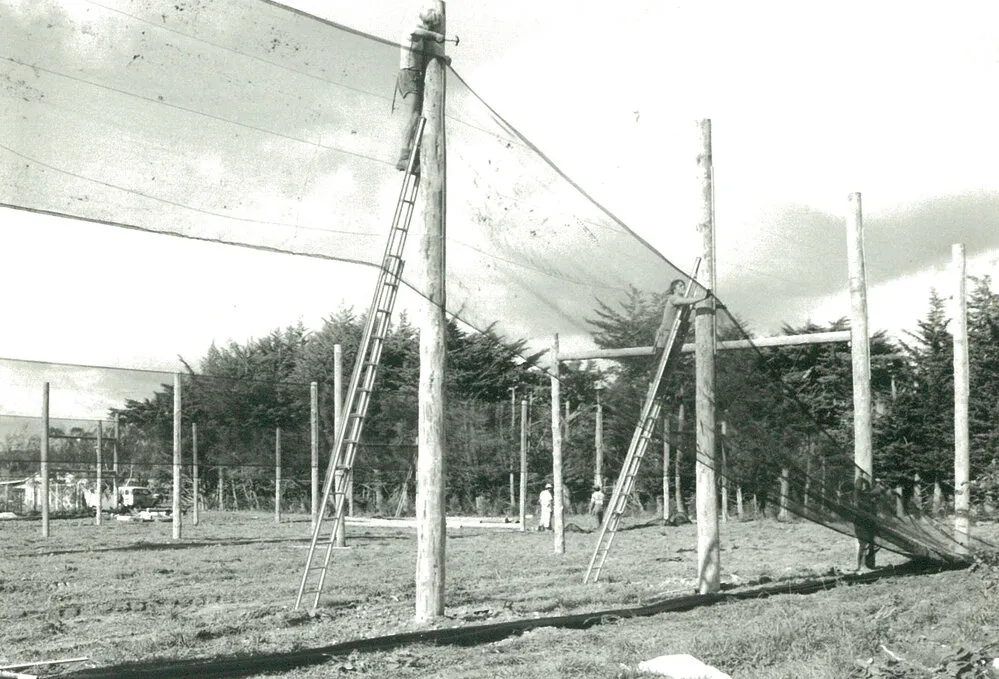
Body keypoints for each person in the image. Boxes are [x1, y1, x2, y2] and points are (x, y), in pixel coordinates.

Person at [394, 4, 444, 172]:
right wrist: (435, 35)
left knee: (418, 115)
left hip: (415, 75)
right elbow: (417, 32)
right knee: (413, 116)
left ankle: (412, 155)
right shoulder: (414, 29)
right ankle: (404, 156)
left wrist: (443, 56)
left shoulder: (423, 37)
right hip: (409, 74)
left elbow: (429, 46)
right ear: (430, 23)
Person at [654, 279, 710, 352]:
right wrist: (704, 297)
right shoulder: (673, 298)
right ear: (674, 289)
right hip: (666, 334)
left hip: (674, 333)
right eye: (680, 286)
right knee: (660, 359)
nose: (683, 287)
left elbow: (689, 303)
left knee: (672, 360)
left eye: (684, 285)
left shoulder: (682, 301)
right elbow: (687, 301)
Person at [853, 476, 878, 571]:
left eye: (865, 486)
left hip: (870, 524)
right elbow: (857, 490)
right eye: (862, 486)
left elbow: (878, 492)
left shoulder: (868, 496)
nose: (864, 488)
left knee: (871, 544)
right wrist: (860, 479)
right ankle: (862, 565)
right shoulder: (857, 496)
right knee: (864, 544)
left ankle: (869, 565)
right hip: (861, 524)